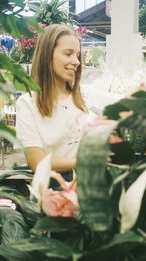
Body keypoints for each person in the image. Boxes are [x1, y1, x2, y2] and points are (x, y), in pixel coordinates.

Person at [15, 24, 92, 175]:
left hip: (87, 187)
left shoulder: (85, 95)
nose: (76, 61)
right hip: (52, 191)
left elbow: (127, 102)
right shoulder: (28, 103)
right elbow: (37, 162)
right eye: (68, 53)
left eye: (77, 55)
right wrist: (85, 161)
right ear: (47, 55)